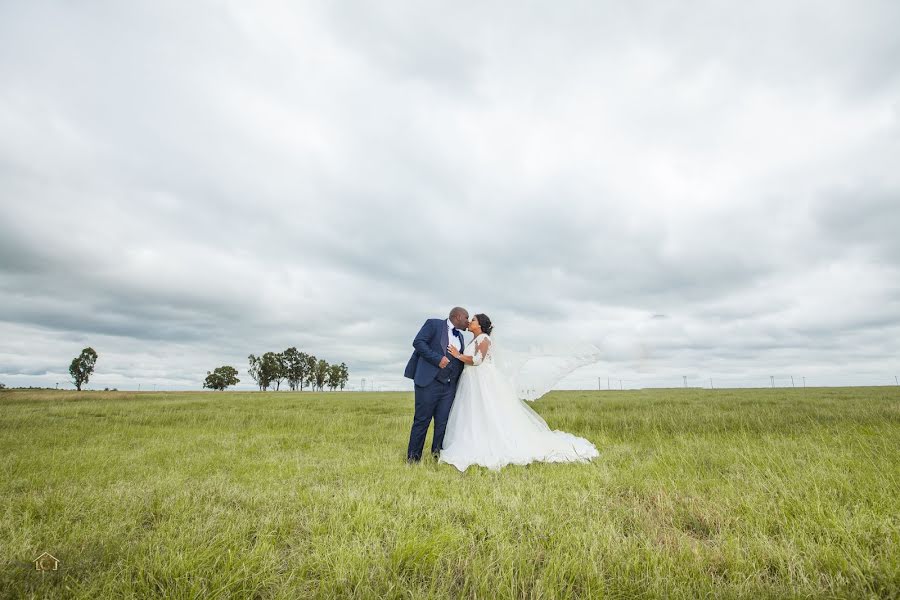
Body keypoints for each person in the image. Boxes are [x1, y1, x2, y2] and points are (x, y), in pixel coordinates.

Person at [439, 313, 599, 471]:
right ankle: (470, 440)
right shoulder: (473, 339)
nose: (469, 322)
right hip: (471, 380)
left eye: (472, 320)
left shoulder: (484, 339)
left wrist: (458, 355)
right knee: (473, 412)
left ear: (480, 324)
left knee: (487, 410)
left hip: (481, 380)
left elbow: (478, 360)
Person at [403, 307, 469, 462]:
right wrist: (437, 358)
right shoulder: (433, 324)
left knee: (443, 423)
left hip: (448, 386)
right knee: (422, 420)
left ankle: (437, 456)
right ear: (457, 316)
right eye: (466, 318)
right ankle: (413, 458)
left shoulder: (460, 337)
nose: (468, 321)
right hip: (428, 382)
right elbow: (418, 342)